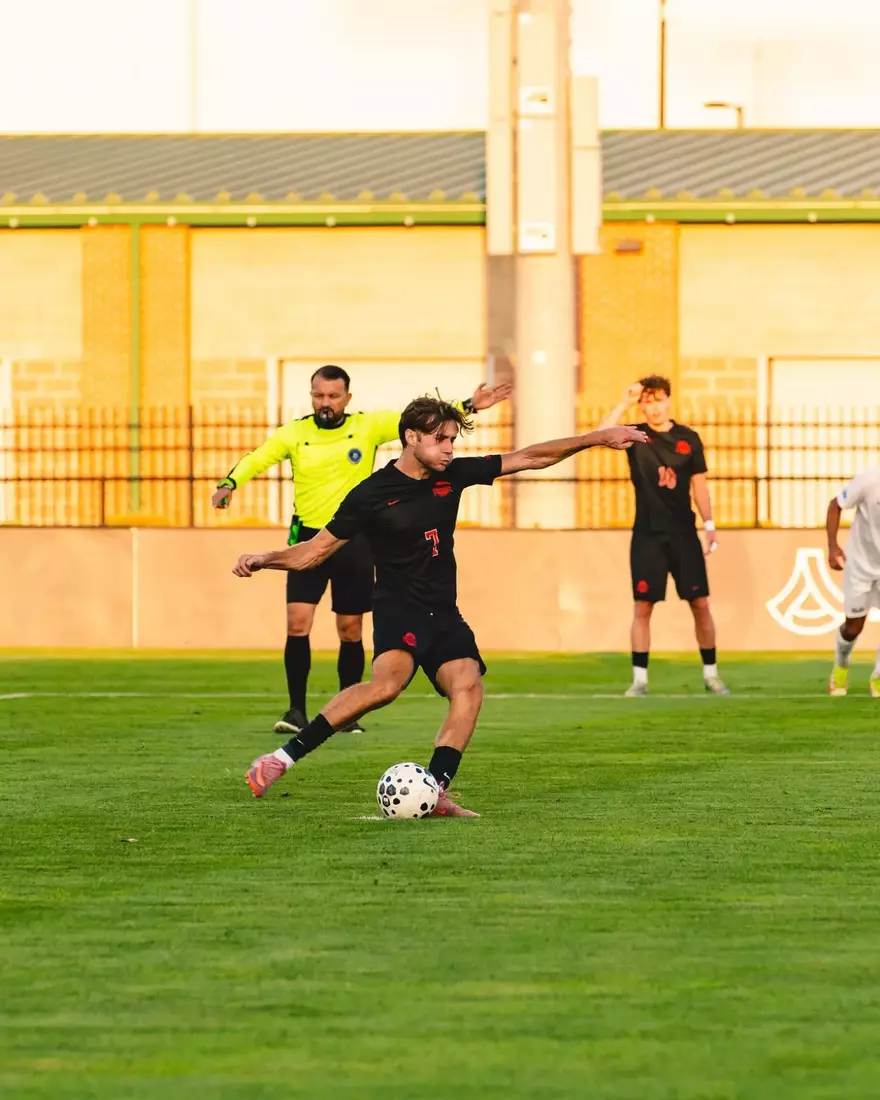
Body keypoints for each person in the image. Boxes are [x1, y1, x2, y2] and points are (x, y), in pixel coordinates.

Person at [232, 396, 648, 815]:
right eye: (440, 439)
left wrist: (596, 439)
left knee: (468, 686)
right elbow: (315, 551)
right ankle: (279, 759)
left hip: (443, 612)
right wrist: (266, 558)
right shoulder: (372, 493)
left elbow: (531, 457)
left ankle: (433, 790)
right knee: (385, 687)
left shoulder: (454, 474)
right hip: (399, 608)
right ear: (410, 438)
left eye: (451, 438)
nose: (449, 448)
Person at [212, 365, 511, 735]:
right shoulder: (295, 433)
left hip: (358, 541)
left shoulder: (367, 426)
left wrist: (469, 404)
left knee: (350, 628)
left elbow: (420, 425)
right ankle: (295, 710)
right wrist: (229, 482)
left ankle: (347, 712)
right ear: (311, 396)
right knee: (297, 621)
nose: (326, 403)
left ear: (347, 398)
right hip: (309, 536)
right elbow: (259, 457)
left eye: (333, 396)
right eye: (318, 395)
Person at [598, 376, 728, 697]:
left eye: (658, 400)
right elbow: (598, 436)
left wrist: (709, 524)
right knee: (643, 606)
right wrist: (625, 402)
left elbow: (699, 484)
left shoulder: (689, 438)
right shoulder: (635, 436)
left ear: (669, 400)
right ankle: (640, 680)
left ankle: (711, 675)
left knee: (700, 603)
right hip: (647, 534)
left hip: (684, 532)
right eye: (647, 401)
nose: (653, 408)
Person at [826, 464, 880, 697]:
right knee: (853, 627)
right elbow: (835, 505)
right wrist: (832, 546)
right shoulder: (870, 479)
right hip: (860, 563)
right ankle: (841, 665)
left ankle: (878, 678)